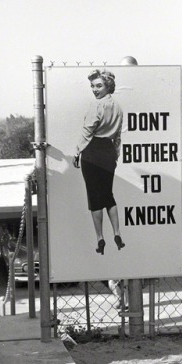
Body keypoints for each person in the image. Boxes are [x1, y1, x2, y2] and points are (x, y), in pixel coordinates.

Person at [73, 69, 125, 255]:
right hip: (109, 151)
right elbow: (118, 136)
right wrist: (115, 155)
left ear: (107, 86)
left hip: (92, 151)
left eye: (99, 85)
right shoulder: (117, 107)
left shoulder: (96, 106)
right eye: (92, 86)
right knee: (107, 195)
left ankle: (100, 238)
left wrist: (78, 151)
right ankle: (117, 233)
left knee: (95, 198)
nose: (94, 90)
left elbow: (88, 131)